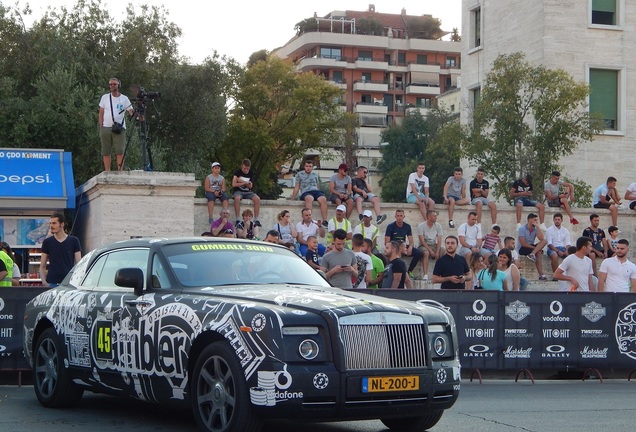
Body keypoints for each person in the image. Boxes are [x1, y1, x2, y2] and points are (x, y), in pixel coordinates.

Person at [98, 77, 135, 171]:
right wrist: (101, 127)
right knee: (106, 152)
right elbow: (101, 113)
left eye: (114, 84)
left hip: (119, 128)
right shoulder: (105, 97)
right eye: (110, 84)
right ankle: (107, 171)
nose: (112, 86)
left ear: (118, 85)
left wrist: (134, 114)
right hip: (106, 127)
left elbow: (130, 110)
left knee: (120, 151)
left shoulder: (124, 98)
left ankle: (120, 171)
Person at [39, 212, 82, 287]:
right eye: (50, 223)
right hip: (52, 283)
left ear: (62, 224)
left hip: (69, 283)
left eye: (54, 223)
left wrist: (77, 281)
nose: (51, 226)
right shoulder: (47, 242)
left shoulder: (74, 241)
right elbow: (42, 265)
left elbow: (79, 264)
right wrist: (44, 282)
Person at [384, 209, 425, 278]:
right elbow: (387, 242)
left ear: (404, 217)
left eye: (401, 216)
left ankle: (409, 271)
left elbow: (411, 240)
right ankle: (390, 272)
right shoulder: (390, 226)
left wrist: (410, 247)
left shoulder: (407, 226)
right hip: (393, 246)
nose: (399, 217)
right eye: (398, 216)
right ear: (395, 217)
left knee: (419, 253)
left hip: (403, 245)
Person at [291, 159, 328, 226]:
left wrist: (319, 192)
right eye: (307, 166)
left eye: (310, 166)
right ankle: (309, 219)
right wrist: (292, 199)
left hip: (315, 191)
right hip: (306, 192)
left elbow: (317, 186)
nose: (308, 168)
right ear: (304, 166)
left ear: (312, 167)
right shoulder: (299, 174)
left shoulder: (315, 175)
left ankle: (325, 220)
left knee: (323, 199)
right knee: (309, 198)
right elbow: (297, 187)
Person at [231, 159, 262, 227]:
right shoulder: (237, 172)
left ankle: (256, 219)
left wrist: (241, 181)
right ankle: (238, 219)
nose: (246, 170)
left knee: (257, 199)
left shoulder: (251, 172)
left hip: (248, 192)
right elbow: (233, 184)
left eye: (247, 169)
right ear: (242, 166)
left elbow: (250, 186)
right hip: (238, 191)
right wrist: (245, 183)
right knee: (237, 198)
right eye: (244, 168)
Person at [517, 212, 548, 280]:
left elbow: (541, 239)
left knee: (544, 241)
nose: (536, 221)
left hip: (531, 247)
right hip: (522, 248)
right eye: (534, 220)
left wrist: (537, 227)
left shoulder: (535, 229)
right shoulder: (522, 229)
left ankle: (541, 275)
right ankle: (533, 253)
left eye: (536, 220)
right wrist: (536, 248)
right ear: (529, 220)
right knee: (538, 251)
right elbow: (523, 244)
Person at [417, 210, 444, 280]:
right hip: (423, 246)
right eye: (434, 216)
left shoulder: (438, 226)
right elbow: (422, 241)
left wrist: (437, 251)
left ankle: (443, 272)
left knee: (444, 251)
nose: (436, 217)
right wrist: (431, 251)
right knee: (426, 253)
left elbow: (439, 240)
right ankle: (425, 274)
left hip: (434, 245)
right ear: (429, 217)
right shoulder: (421, 226)